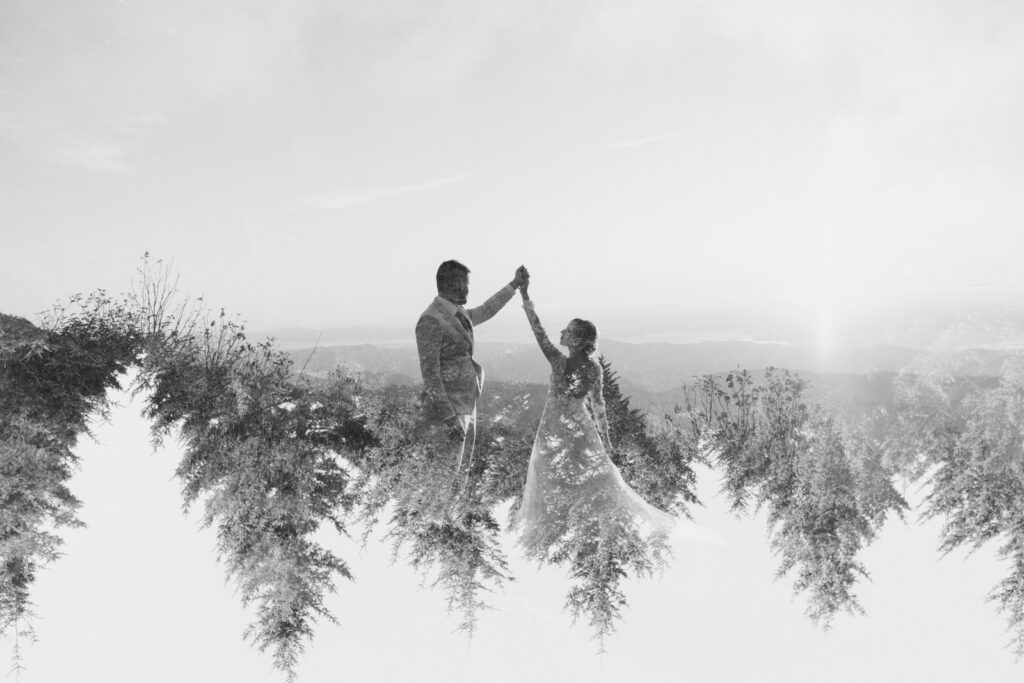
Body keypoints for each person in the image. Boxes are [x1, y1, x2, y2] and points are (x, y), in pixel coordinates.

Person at [515, 279, 675, 561]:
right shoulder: (593, 368)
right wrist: (606, 440)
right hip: (580, 423)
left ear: (576, 338)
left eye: (567, 330)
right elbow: (598, 407)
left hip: (552, 423)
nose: (562, 333)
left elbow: (537, 329)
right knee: (591, 473)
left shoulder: (557, 360)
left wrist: (525, 295)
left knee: (548, 471)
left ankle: (559, 526)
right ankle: (584, 522)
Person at [415, 260, 529, 482]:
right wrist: (448, 418)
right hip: (448, 414)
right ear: (453, 284)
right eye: (465, 283)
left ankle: (451, 515)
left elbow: (487, 310)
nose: (468, 288)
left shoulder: (459, 313)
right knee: (444, 479)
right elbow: (430, 374)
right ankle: (433, 516)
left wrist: (514, 284)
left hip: (466, 407)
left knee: (460, 476)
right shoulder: (431, 320)